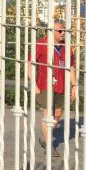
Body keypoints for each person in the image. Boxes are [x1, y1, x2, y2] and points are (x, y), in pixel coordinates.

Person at [27, 20, 76, 151]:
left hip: (61, 85)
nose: (63, 33)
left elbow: (71, 66)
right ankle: (47, 142)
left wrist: (74, 85)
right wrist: (34, 84)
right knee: (48, 113)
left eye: (64, 30)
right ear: (51, 32)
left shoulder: (66, 46)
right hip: (44, 84)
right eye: (60, 31)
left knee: (58, 113)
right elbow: (30, 64)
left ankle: (44, 137)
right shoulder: (40, 44)